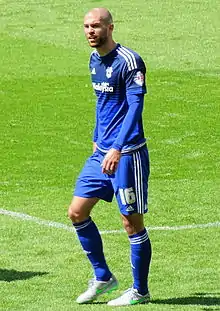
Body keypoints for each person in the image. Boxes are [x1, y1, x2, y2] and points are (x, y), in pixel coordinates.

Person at [68, 7, 152, 307]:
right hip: (100, 153)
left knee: (131, 222)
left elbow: (134, 108)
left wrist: (117, 148)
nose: (90, 31)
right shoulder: (94, 59)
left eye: (96, 26)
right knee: (77, 212)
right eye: (86, 27)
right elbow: (102, 104)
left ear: (110, 27)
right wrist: (96, 138)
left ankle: (140, 290)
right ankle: (103, 276)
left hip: (127, 155)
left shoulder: (129, 62)